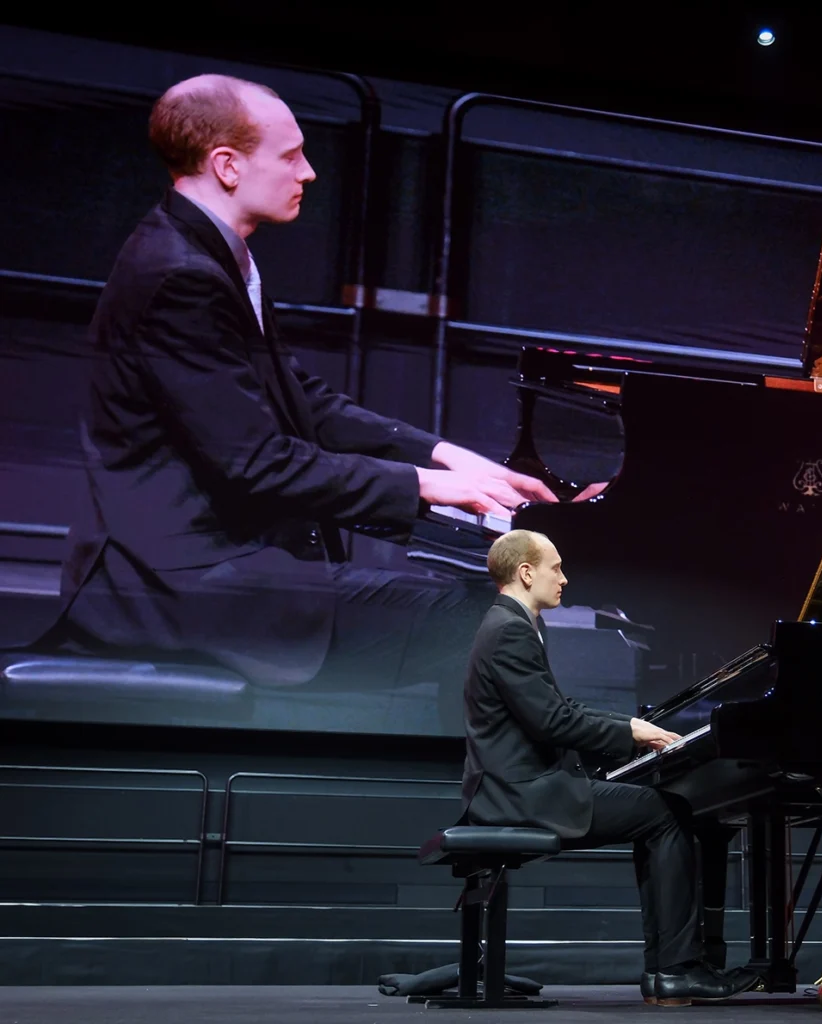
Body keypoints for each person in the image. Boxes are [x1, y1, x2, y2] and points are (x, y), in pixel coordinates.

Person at [53, 73, 556, 724]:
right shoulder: (181, 275)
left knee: (484, 608)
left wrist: (446, 456)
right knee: (491, 619)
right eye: (290, 155)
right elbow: (257, 462)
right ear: (227, 166)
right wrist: (427, 487)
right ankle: (481, 787)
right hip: (177, 583)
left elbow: (304, 401)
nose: (309, 172)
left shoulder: (213, 254)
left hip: (202, 566)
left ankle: (477, 782)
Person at [460, 529, 759, 1005]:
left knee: (660, 812)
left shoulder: (511, 623)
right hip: (520, 794)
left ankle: (668, 971)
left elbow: (559, 708)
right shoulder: (510, 630)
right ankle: (674, 971)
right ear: (526, 573)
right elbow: (552, 721)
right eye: (556, 568)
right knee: (667, 813)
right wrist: (630, 733)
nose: (564, 578)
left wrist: (629, 726)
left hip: (515, 787)